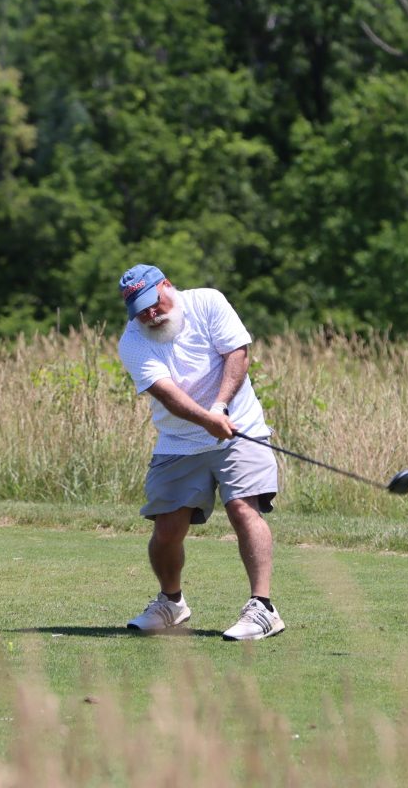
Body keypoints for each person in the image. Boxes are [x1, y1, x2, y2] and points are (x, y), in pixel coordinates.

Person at [116, 263, 284, 641]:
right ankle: (171, 604)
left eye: (154, 303)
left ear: (167, 286)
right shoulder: (132, 341)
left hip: (239, 428)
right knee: (166, 530)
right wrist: (207, 420)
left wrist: (220, 407)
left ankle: (263, 608)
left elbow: (237, 354)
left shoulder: (208, 302)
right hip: (178, 440)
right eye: (141, 311)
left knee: (243, 508)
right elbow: (167, 393)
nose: (151, 314)